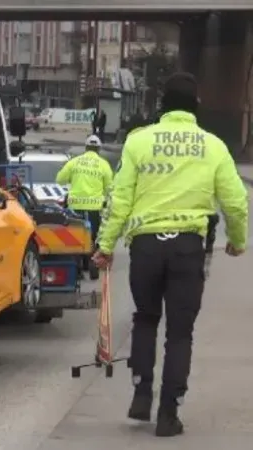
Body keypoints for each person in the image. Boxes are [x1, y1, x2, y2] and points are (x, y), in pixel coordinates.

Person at [93, 72, 248, 437]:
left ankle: (141, 392)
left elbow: (119, 200)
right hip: (187, 249)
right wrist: (237, 241)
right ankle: (168, 414)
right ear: (196, 105)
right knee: (180, 333)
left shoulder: (138, 141)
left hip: (145, 246)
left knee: (146, 319)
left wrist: (105, 246)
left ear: (162, 105)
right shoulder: (213, 146)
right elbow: (235, 203)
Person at [55, 134, 114, 276]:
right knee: (94, 236)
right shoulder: (103, 164)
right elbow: (110, 188)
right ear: (98, 149)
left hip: (75, 207)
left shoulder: (74, 162)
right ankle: (93, 261)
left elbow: (60, 180)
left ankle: (77, 266)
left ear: (86, 147)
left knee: (75, 236)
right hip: (95, 208)